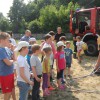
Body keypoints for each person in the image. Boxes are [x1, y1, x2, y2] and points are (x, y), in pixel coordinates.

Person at [0, 32, 15, 100]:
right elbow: (8, 63)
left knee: (10, 91)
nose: (9, 41)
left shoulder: (6, 49)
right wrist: (13, 61)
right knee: (7, 93)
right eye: (7, 40)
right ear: (2, 40)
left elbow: (14, 58)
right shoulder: (1, 50)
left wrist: (13, 50)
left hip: (10, 73)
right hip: (5, 75)